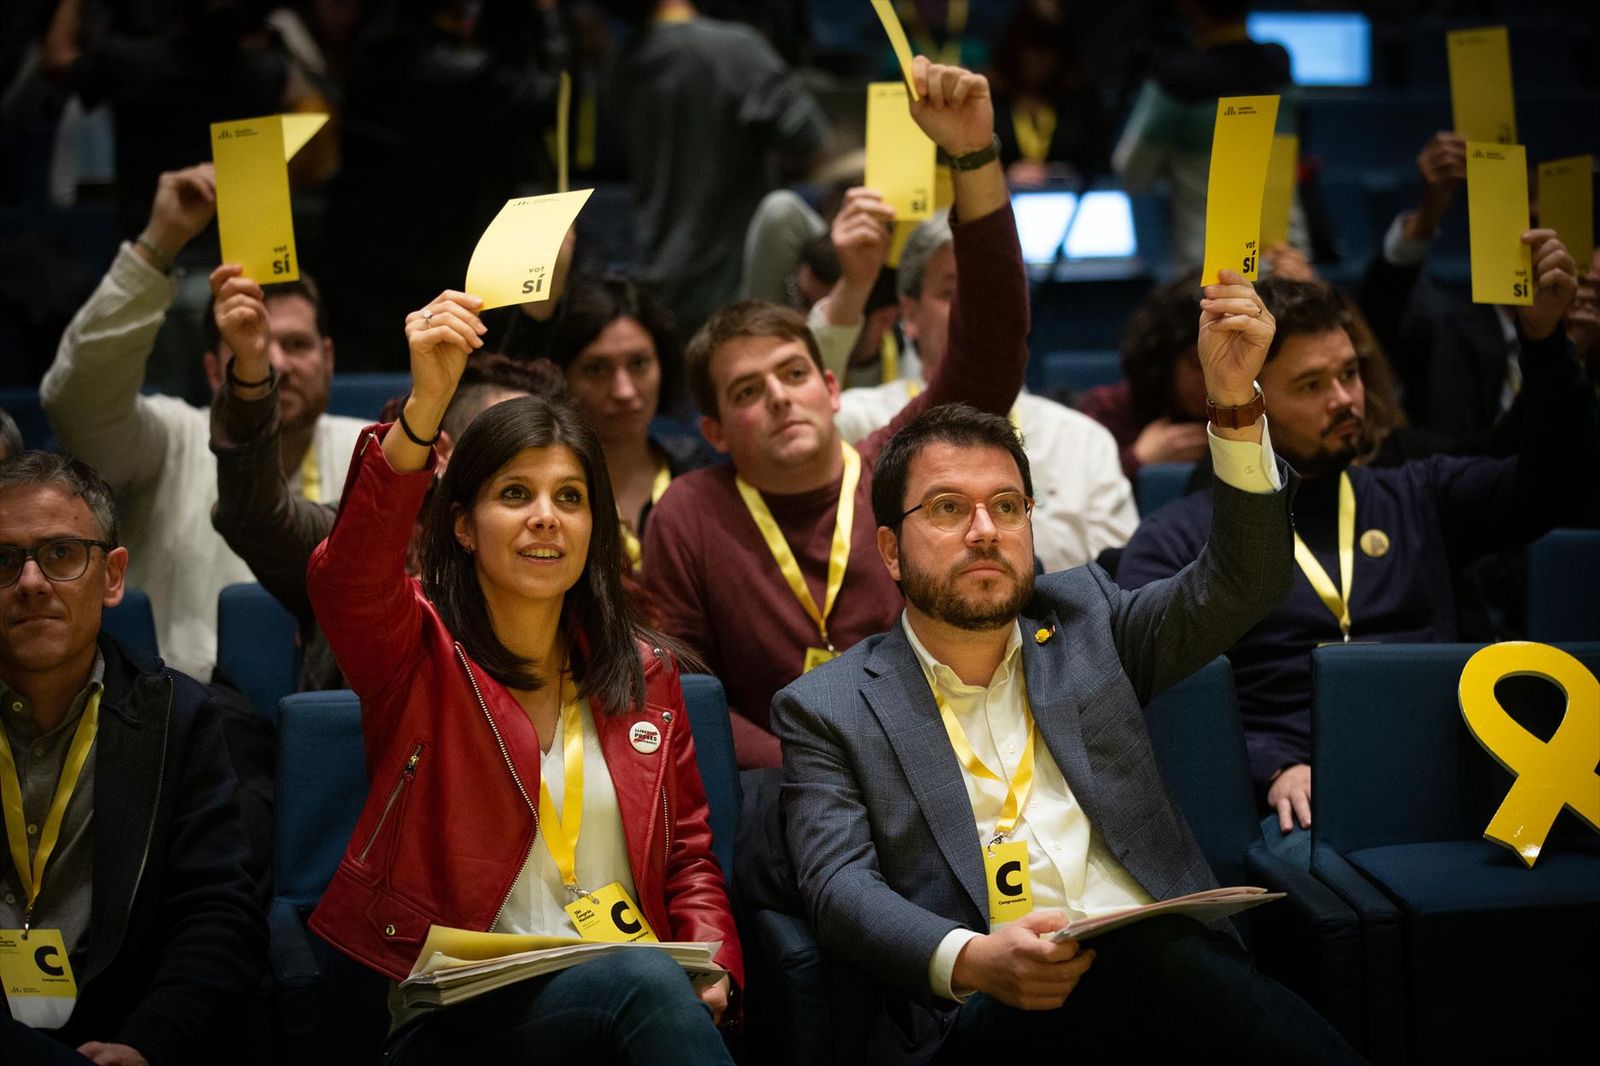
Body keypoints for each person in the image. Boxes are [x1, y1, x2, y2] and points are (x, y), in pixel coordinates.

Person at [773, 275, 1359, 1063]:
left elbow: (1245, 581)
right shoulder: (830, 706)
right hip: (990, 1012)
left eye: (1007, 506)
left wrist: (1232, 404)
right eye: (947, 509)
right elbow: (837, 885)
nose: (985, 531)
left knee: (1157, 952)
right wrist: (972, 959)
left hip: (1170, 988)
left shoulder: (1089, 622)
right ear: (890, 550)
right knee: (1162, 960)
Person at [304, 289, 742, 1062]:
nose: (546, 516)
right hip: (459, 1017)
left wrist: (716, 966)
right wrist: (425, 410)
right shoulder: (415, 651)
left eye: (569, 497)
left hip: (628, 1000)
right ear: (464, 526)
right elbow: (349, 578)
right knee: (641, 981)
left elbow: (687, 858)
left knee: (647, 985)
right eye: (515, 494)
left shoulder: (645, 674)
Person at [1117, 245, 1595, 865]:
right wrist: (1270, 766)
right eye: (1312, 385)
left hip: (1452, 775)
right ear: (1254, 398)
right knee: (1315, 865)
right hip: (1300, 797)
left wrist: (1546, 343)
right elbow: (1158, 692)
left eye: (1350, 373)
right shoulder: (1176, 538)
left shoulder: (1420, 495)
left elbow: (1557, 486)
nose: (1345, 399)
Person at [643, 56, 1029, 768]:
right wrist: (808, 770)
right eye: (747, 391)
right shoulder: (689, 514)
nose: (778, 395)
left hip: (936, 759)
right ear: (714, 431)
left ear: (829, 388)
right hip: (780, 787)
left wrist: (974, 156)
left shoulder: (899, 462)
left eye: (793, 374)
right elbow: (682, 692)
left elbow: (992, 343)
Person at [39, 164, 365, 682]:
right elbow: (76, 398)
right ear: (214, 370)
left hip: (339, 708)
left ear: (328, 358)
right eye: (248, 344)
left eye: (296, 344)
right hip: (178, 710)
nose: (275, 362)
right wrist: (158, 244)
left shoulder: (377, 452)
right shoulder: (169, 439)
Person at [0, 451, 265, 1065]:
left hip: (125, 1036)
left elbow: (217, 913)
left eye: (61, 553)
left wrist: (150, 1043)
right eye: (4, 560)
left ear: (113, 576)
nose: (31, 582)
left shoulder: (180, 717)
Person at [210, 261, 553, 696]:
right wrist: (252, 375)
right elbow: (255, 516)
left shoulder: (573, 547)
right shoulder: (350, 545)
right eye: (504, 449)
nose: (544, 514)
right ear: (444, 453)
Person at [836, 212, 1138, 572]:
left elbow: (1117, 579)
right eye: (950, 293)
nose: (973, 314)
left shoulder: (1082, 439)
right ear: (910, 315)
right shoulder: (859, 420)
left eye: (984, 299)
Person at [600, 0, 829, 338]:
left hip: (659, 284)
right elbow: (809, 137)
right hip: (736, 285)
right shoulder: (734, 49)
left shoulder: (620, 66)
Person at [1111, 0, 1300, 274]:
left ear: (1187, 6)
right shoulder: (1278, 63)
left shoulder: (1177, 81)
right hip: (1288, 259)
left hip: (1212, 269)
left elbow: (1132, 174)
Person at [547, 275, 713, 570]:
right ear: (561, 377)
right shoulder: (545, 494)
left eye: (638, 363)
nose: (624, 391)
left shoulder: (701, 474)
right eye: (596, 369)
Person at [1076, 274, 1211, 479]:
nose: (1214, 381)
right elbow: (1074, 489)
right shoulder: (1109, 409)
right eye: (1197, 365)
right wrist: (1136, 459)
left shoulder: (1257, 416)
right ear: (1164, 360)